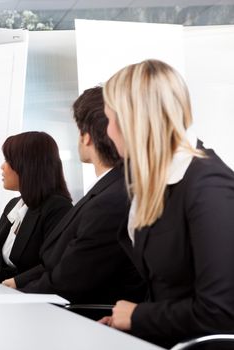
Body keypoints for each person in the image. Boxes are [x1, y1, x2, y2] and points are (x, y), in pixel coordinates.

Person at [100, 59, 234, 348]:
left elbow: (220, 313)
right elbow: (169, 289)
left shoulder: (208, 187)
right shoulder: (157, 183)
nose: (107, 131)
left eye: (109, 119)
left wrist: (138, 316)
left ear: (133, 120)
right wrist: (126, 320)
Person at [12, 87, 145, 309]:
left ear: (87, 137)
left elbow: (68, 281)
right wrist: (16, 284)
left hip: (89, 321)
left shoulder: (111, 200)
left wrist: (10, 299)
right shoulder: (109, 189)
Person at [0, 131, 73, 285]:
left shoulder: (58, 208)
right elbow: (6, 269)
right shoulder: (14, 205)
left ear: (28, 165)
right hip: (9, 295)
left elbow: (54, 266)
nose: (2, 166)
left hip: (36, 300)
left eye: (8, 160)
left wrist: (17, 282)